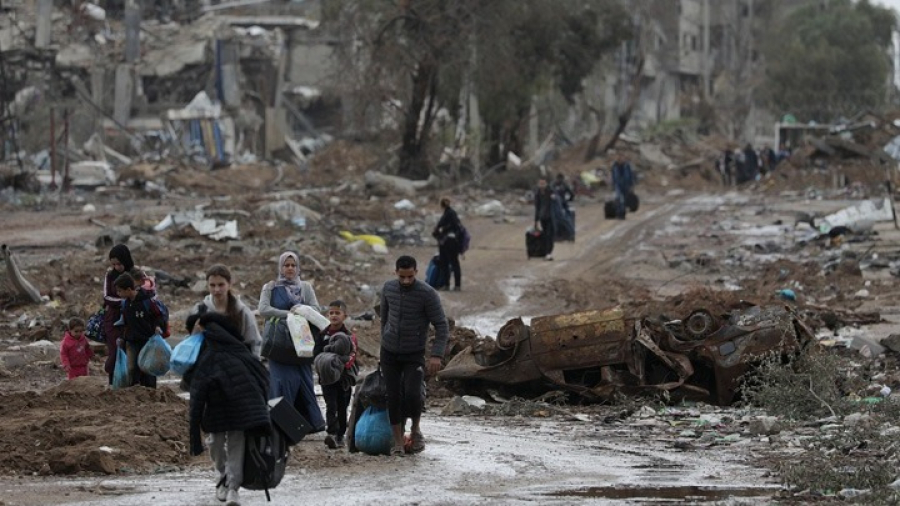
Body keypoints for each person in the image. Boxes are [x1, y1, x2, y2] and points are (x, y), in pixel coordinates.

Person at [188, 312, 270, 506]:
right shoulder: (209, 352)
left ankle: (232, 487)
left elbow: (260, 381)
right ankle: (223, 478)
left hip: (237, 409)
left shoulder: (229, 352)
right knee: (217, 444)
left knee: (234, 445)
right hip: (217, 409)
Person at [379, 255, 450, 456]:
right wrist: (383, 344)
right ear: (396, 273)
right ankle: (398, 442)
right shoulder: (388, 289)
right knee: (392, 396)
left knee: (412, 394)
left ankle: (415, 429)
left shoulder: (427, 294)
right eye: (402, 277)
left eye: (410, 277)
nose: (406, 281)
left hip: (414, 353)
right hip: (390, 352)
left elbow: (441, 326)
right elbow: (384, 319)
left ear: (416, 272)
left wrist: (436, 355)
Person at [258, 251, 326, 431]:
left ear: (298, 267)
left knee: (304, 381)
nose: (289, 268)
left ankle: (310, 423)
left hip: (301, 343)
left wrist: (301, 309)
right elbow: (263, 309)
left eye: (293, 265)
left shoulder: (305, 287)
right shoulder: (270, 287)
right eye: (286, 265)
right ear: (280, 267)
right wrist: (288, 314)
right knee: (281, 382)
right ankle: (283, 424)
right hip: (279, 344)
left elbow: (315, 308)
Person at [102, 244, 154, 385]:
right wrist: (125, 300)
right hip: (114, 319)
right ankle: (115, 383)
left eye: (119, 263)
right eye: (114, 264)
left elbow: (149, 292)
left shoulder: (137, 273)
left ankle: (141, 385)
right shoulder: (110, 275)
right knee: (115, 351)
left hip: (137, 319)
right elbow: (106, 297)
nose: (117, 267)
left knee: (140, 353)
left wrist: (132, 300)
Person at [189, 264, 261, 358]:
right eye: (212, 285)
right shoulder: (200, 310)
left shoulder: (242, 311)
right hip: (207, 366)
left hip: (237, 365)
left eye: (221, 285)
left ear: (229, 284)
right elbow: (192, 342)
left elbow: (253, 342)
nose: (217, 289)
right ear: (207, 285)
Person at [319, 300, 359, 449]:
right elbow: (318, 354)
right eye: (331, 313)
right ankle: (331, 433)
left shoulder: (350, 336)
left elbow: (351, 357)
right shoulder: (323, 334)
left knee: (343, 406)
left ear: (345, 316)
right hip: (327, 378)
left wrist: (339, 363)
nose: (334, 316)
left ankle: (340, 434)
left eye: (337, 313)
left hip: (344, 379)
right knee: (330, 405)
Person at [114, 272, 164, 389]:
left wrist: (157, 326)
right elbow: (124, 322)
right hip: (131, 341)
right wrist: (122, 337)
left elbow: (158, 315)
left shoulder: (146, 301)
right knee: (131, 368)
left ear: (128, 289)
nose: (118, 294)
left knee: (148, 367)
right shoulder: (125, 304)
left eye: (120, 291)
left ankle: (151, 392)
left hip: (147, 340)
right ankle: (134, 391)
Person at [432, 197, 463, 291]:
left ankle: (446, 285)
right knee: (455, 263)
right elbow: (458, 227)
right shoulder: (453, 214)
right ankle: (457, 286)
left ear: (441, 205)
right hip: (454, 242)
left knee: (445, 263)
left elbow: (438, 229)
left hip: (445, 243)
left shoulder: (446, 215)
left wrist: (437, 233)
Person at [533, 178, 556, 260]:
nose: (542, 185)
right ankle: (547, 252)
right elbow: (537, 207)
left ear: (546, 184)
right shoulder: (537, 193)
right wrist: (536, 220)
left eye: (543, 184)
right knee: (545, 235)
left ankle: (548, 252)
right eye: (540, 184)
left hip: (551, 217)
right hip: (543, 217)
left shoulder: (551, 191)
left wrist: (554, 198)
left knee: (550, 235)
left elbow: (557, 201)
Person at [611, 153, 635, 219]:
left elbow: (631, 175)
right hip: (618, 185)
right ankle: (619, 213)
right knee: (619, 198)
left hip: (626, 184)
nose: (621, 160)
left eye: (622, 158)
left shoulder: (627, 166)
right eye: (619, 159)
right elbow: (613, 176)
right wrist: (612, 184)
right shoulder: (614, 166)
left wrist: (631, 185)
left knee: (624, 200)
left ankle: (623, 213)